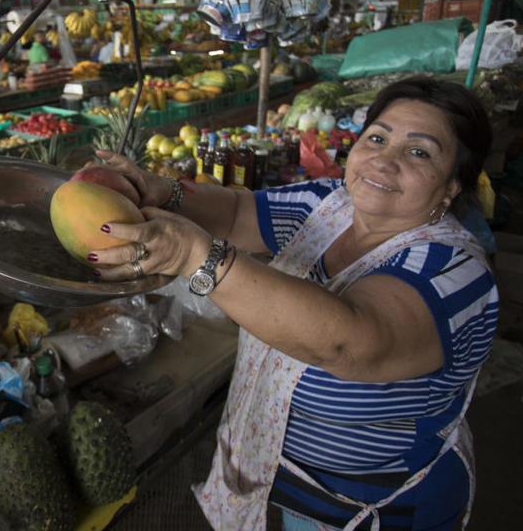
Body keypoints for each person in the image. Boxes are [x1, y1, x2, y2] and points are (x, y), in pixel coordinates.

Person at [89, 76, 497, 530]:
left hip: (364, 513)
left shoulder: (455, 271)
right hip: (262, 488)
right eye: (377, 138)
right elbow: (238, 213)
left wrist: (193, 256)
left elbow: (346, 343)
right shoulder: (328, 205)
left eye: (419, 152)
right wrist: (165, 192)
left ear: (452, 186)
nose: (384, 159)